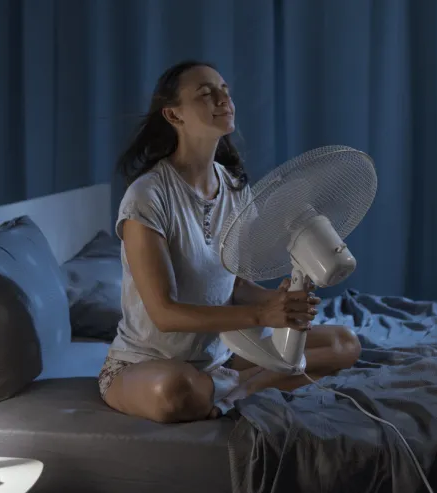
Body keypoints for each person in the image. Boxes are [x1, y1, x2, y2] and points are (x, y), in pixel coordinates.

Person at [99, 60, 361, 423]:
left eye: (225, 91)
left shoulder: (235, 187)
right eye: (207, 94)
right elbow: (164, 313)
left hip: (219, 355)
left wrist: (280, 303)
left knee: (344, 343)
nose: (224, 99)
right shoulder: (146, 197)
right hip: (149, 364)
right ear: (174, 115)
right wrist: (260, 315)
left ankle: (237, 388)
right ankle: (242, 386)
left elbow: (232, 282)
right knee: (175, 393)